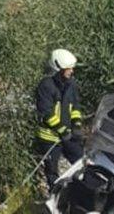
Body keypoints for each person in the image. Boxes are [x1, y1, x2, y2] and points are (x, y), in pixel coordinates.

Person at [35, 48, 84, 185]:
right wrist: (62, 130)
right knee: (52, 172)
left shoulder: (71, 85)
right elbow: (46, 113)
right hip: (50, 138)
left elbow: (75, 107)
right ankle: (53, 198)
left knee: (82, 163)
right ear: (59, 68)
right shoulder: (45, 85)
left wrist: (77, 125)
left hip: (68, 135)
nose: (72, 71)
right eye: (68, 69)